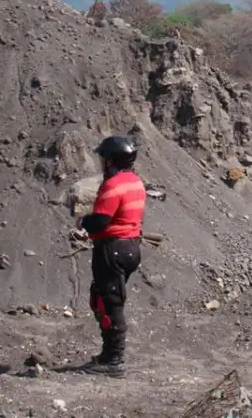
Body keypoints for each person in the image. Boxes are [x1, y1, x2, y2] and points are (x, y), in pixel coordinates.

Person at [76, 136, 147, 377]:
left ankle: (114, 360)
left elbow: (101, 222)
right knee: (104, 297)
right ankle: (109, 355)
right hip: (130, 246)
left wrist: (83, 221)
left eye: (104, 159)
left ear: (111, 160)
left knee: (110, 304)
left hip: (112, 248)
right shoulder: (135, 181)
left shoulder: (113, 185)